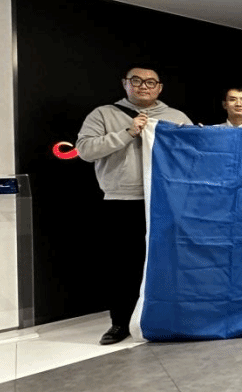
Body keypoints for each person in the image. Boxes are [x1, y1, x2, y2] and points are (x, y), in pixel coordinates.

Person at [76, 65, 192, 344]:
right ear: (125, 84)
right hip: (123, 201)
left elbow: (193, 154)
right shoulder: (103, 114)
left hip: (166, 202)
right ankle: (120, 322)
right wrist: (127, 133)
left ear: (159, 87)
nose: (143, 86)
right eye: (136, 81)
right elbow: (85, 150)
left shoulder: (176, 117)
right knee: (122, 265)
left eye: (150, 82)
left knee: (170, 262)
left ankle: (170, 317)